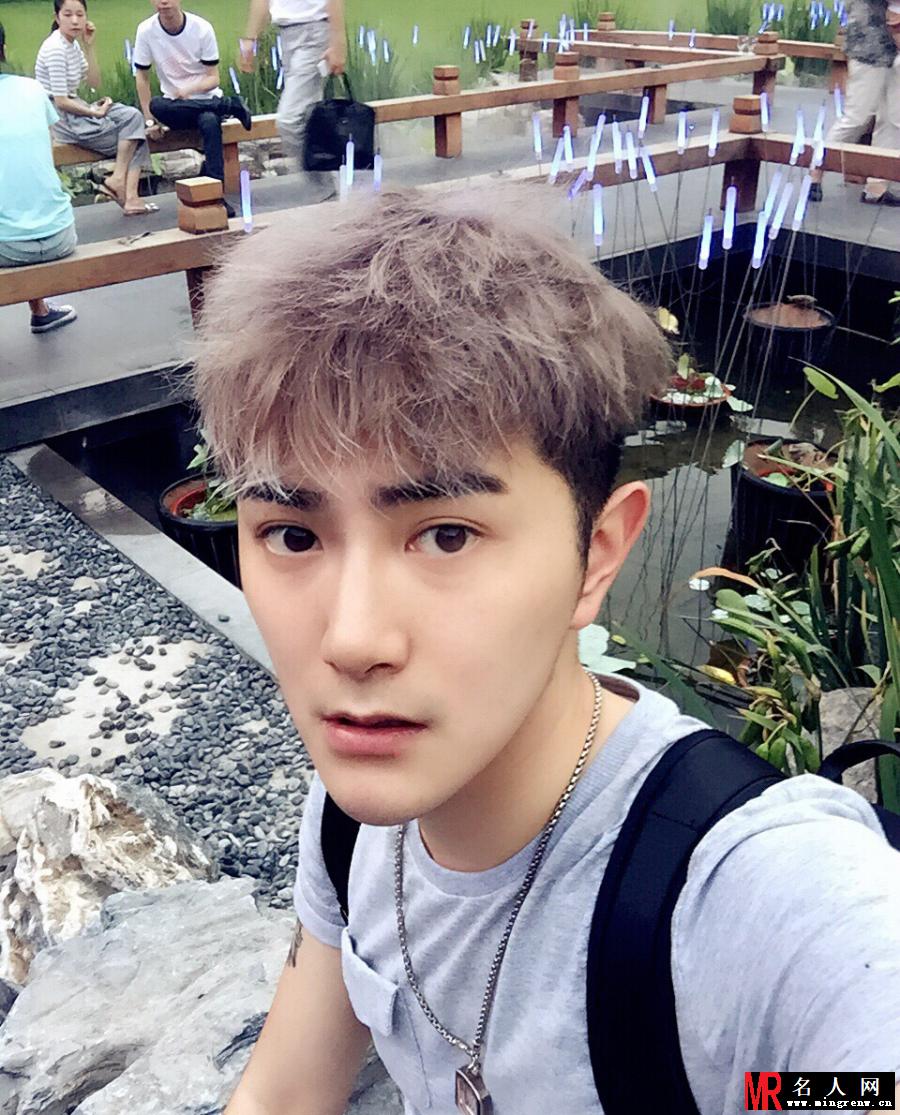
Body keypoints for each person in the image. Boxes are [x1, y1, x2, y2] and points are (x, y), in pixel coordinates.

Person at [188, 186, 900, 1115]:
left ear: (596, 553)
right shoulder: (354, 819)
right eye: (292, 535)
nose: (353, 640)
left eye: (446, 535)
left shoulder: (750, 904)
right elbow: (286, 1092)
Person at [35, 0, 156, 217]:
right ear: (57, 18)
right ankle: (129, 196)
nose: (75, 21)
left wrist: (89, 46)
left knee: (131, 116)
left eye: (80, 15)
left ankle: (118, 181)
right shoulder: (55, 49)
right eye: (68, 15)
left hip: (79, 106)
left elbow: (94, 83)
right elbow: (61, 101)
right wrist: (94, 112)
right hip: (63, 119)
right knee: (136, 137)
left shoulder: (72, 45)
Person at [133, 0, 252, 217]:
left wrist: (189, 90)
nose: (164, 2)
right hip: (175, 107)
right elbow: (142, 76)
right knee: (157, 105)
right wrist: (149, 120)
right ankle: (228, 106)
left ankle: (216, 195)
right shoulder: (146, 30)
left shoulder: (201, 28)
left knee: (209, 121)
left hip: (204, 99)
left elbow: (213, 78)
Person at [0, 22, 77, 334]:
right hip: (60, 234)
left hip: (7, 247)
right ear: (3, 50)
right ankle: (41, 310)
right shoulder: (32, 89)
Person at [239, 0, 345, 201]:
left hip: (315, 31)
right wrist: (250, 38)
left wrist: (338, 42)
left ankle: (325, 190)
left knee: (289, 120)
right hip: (287, 34)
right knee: (307, 117)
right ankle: (329, 187)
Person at [809, 0, 900, 205]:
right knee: (857, 117)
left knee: (893, 120)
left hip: (896, 46)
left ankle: (876, 186)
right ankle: (815, 173)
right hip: (870, 45)